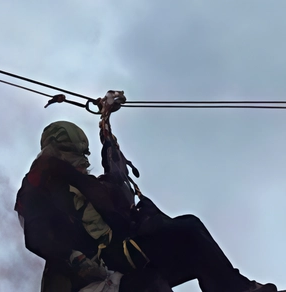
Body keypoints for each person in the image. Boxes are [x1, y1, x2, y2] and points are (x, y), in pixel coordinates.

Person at [15, 121, 280, 292]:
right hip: (95, 273)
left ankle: (234, 289)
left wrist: (107, 133)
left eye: (84, 157)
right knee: (154, 276)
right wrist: (76, 258)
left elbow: (115, 180)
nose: (82, 163)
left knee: (190, 235)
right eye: (75, 156)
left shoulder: (88, 186)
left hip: (122, 257)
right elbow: (37, 235)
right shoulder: (39, 185)